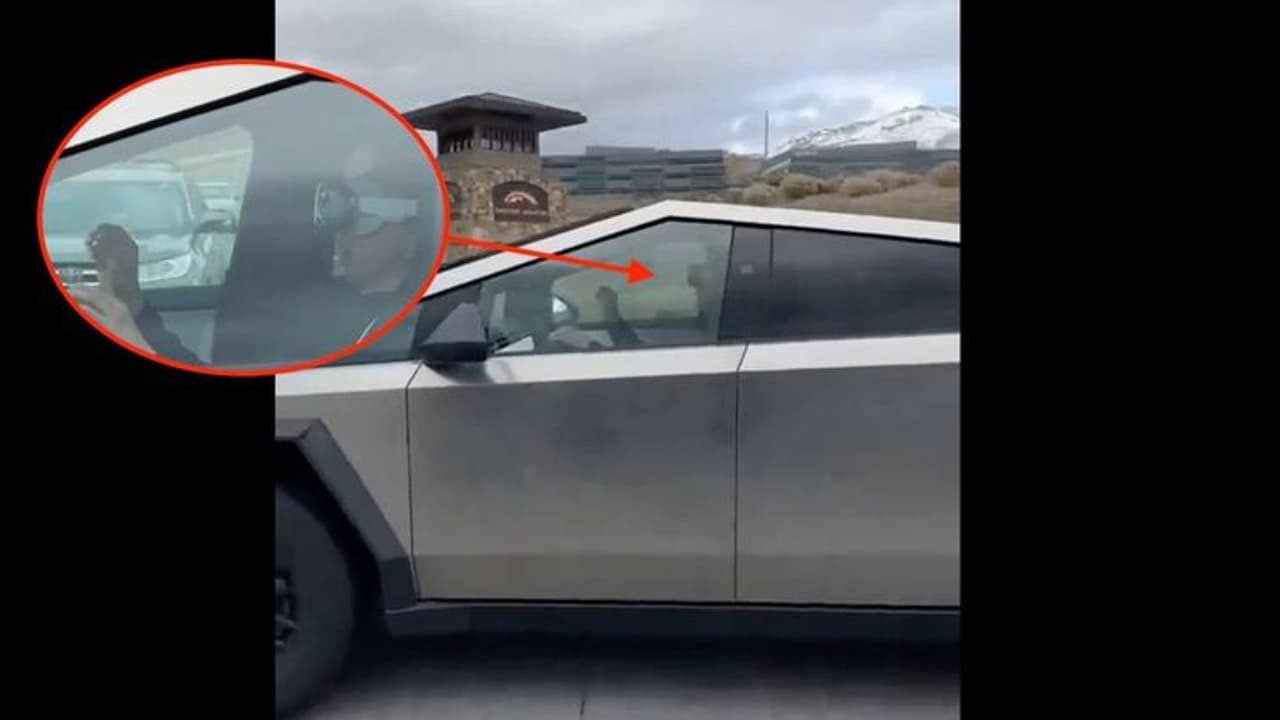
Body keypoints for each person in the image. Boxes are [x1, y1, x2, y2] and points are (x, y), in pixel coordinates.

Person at [67, 146, 437, 366]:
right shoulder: (318, 311)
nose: (340, 234)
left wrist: (134, 342)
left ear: (410, 235)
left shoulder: (413, 331)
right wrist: (135, 307)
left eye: (358, 219)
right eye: (334, 217)